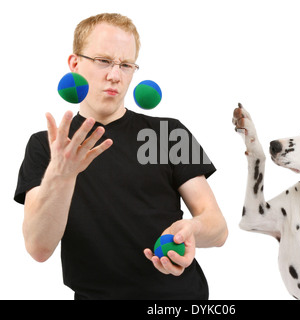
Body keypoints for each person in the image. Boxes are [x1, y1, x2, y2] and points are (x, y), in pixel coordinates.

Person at [14, 13, 228, 300]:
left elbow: (218, 227)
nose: (115, 75)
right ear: (75, 64)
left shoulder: (167, 134)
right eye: (103, 60)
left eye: (126, 65)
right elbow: (38, 248)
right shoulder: (48, 145)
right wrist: (61, 175)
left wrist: (192, 229)